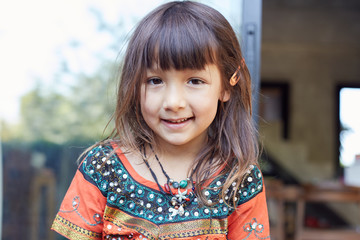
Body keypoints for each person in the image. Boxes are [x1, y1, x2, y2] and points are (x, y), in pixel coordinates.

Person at [51, 1, 270, 239]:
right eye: (155, 80)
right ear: (134, 85)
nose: (173, 102)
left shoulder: (239, 180)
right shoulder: (103, 168)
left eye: (195, 81)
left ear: (227, 85)